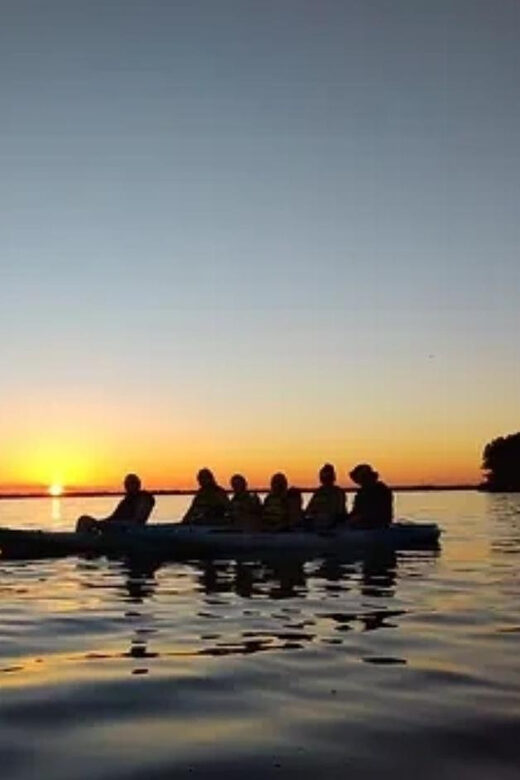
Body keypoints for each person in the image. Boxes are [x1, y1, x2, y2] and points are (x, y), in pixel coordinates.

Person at [76, 474, 155, 533]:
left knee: (86, 521)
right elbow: (113, 517)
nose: (127, 486)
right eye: (126, 484)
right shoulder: (126, 501)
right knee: (84, 520)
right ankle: (83, 539)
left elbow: (138, 521)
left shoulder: (144, 498)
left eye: (131, 483)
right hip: (117, 527)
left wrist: (104, 524)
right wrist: (100, 523)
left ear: (138, 484)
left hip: (127, 529)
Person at [348, 464, 393, 529]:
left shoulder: (380, 490)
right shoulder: (363, 492)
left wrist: (358, 518)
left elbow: (373, 512)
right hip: (371, 525)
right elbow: (356, 511)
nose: (358, 482)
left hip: (373, 525)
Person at [305, 463, 347, 529]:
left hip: (334, 524)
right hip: (318, 523)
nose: (326, 480)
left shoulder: (338, 492)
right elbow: (309, 509)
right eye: (324, 477)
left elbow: (339, 511)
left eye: (328, 477)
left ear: (332, 478)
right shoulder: (318, 492)